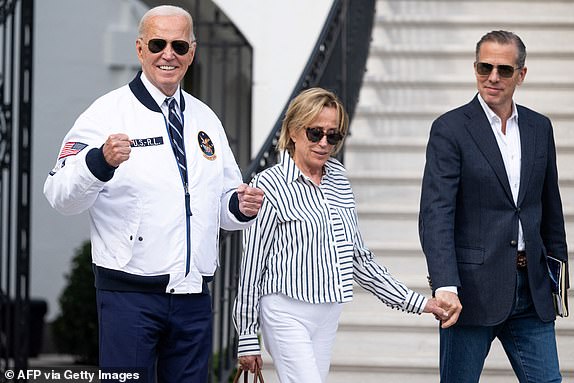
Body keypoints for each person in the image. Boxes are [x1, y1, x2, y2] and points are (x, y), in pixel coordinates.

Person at [44, 5, 264, 383]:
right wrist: (99, 162)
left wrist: (239, 206)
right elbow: (60, 195)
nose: (169, 54)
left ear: (192, 52)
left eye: (179, 46)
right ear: (140, 48)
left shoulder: (205, 118)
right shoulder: (107, 113)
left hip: (193, 297)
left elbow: (220, 203)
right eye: (158, 43)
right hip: (129, 297)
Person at [233, 87, 450, 383]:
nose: (324, 143)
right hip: (285, 309)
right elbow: (252, 264)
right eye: (315, 133)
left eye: (333, 136)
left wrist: (417, 302)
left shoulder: (339, 181)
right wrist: (246, 334)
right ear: (294, 131)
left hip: (328, 312)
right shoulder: (269, 184)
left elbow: (358, 259)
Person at [419, 30, 569, 382]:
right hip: (469, 293)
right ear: (475, 68)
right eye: (484, 67)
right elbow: (436, 214)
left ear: (521, 74)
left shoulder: (539, 127)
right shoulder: (450, 129)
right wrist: (445, 284)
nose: (493, 77)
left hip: (530, 290)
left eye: (503, 69)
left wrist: (557, 280)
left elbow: (550, 208)